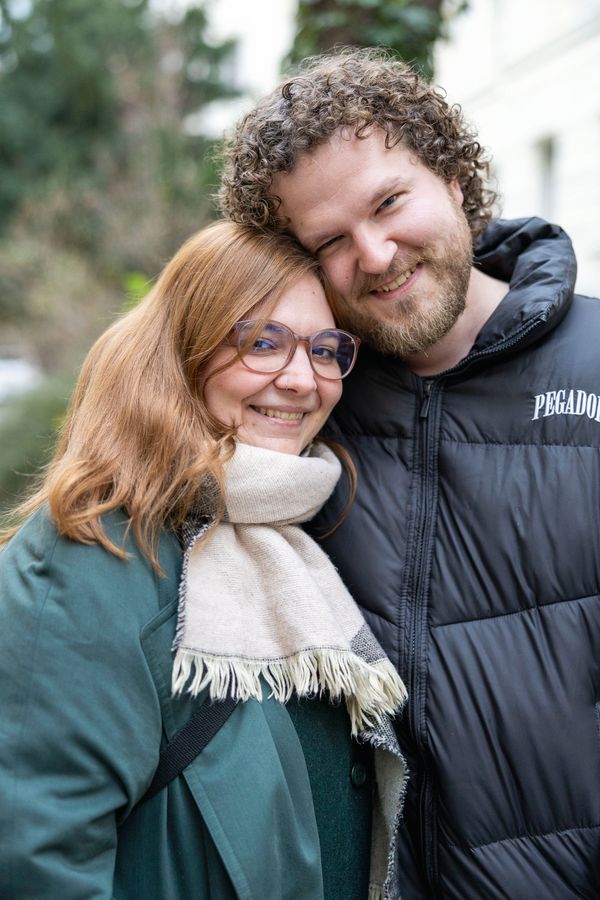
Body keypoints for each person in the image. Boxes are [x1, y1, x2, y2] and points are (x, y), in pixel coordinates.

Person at [218, 48, 600, 899]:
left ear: (455, 179)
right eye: (330, 241)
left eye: (389, 202)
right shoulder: (302, 404)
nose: (376, 252)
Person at [0, 220, 408, 900]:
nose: (303, 380)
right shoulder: (88, 558)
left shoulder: (299, 542)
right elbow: (36, 865)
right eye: (264, 342)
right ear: (182, 353)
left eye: (326, 349)